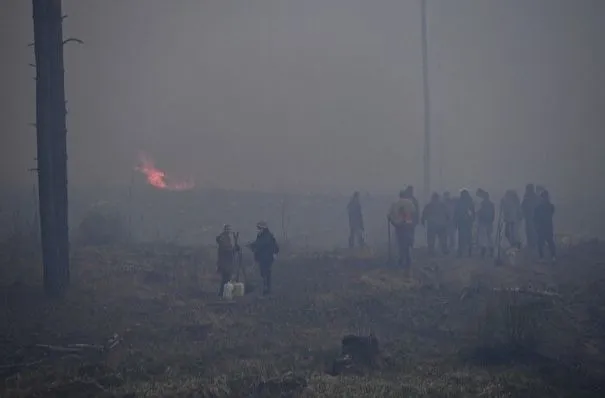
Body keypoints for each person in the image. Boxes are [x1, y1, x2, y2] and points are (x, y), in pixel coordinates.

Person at [249, 221, 279, 295]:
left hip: (266, 258)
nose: (258, 229)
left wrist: (253, 246)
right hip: (263, 257)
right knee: (264, 273)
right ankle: (266, 288)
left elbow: (261, 244)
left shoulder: (267, 236)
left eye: (259, 228)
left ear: (263, 228)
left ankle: (266, 289)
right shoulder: (261, 236)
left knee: (265, 273)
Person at [388, 190, 416, 267]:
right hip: (408, 225)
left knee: (401, 243)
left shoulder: (395, 203)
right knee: (408, 242)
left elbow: (389, 215)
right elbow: (414, 213)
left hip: (399, 226)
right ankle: (408, 259)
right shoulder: (410, 203)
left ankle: (402, 258)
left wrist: (393, 222)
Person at [534, 190, 556, 262]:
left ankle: (552, 256)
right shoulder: (549, 206)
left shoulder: (549, 206)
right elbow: (535, 217)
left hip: (546, 227)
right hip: (542, 227)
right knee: (541, 243)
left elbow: (535, 217)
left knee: (549, 242)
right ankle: (542, 257)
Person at [216, 224, 236, 297]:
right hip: (225, 262)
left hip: (226, 262)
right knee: (226, 278)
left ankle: (223, 293)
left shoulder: (226, 238)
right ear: (225, 230)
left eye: (229, 229)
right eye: (227, 229)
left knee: (226, 278)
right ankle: (223, 293)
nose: (228, 231)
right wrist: (233, 250)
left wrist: (233, 250)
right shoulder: (224, 238)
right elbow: (226, 249)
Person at [454, 189, 475, 257]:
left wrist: (456, 221)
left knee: (462, 237)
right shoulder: (469, 201)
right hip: (466, 221)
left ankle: (462, 251)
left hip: (462, 221)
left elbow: (456, 212)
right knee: (468, 236)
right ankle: (468, 251)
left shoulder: (460, 202)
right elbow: (472, 212)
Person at [476, 189, 495, 258]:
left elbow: (479, 213)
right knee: (489, 236)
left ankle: (483, 250)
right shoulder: (491, 204)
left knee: (483, 236)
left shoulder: (482, 204)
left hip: (483, 222)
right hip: (489, 221)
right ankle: (491, 249)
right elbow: (493, 214)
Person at [522, 184, 539, 250]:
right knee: (529, 232)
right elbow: (523, 207)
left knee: (533, 232)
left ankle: (533, 245)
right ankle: (530, 245)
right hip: (528, 218)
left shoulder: (534, 198)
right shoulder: (526, 197)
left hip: (533, 218)